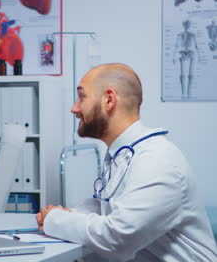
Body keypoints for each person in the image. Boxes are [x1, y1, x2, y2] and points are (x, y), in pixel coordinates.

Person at [36, 63, 217, 261]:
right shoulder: (123, 153)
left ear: (109, 100)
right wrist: (70, 213)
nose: (74, 108)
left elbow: (117, 238)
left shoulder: (157, 160)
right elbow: (108, 204)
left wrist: (56, 219)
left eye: (82, 96)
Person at [173, 19, 200, 99]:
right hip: (183, 53)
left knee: (191, 75)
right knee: (182, 75)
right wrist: (174, 56)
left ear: (189, 25)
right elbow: (176, 46)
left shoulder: (192, 35)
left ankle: (189, 94)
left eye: (188, 25)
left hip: (191, 53)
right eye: (185, 24)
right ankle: (183, 94)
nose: (186, 26)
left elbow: (196, 46)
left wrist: (199, 56)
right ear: (183, 25)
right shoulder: (179, 35)